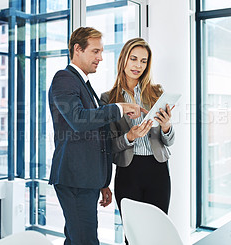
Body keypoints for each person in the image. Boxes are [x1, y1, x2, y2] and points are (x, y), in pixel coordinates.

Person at [48, 27, 146, 245]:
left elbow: (96, 137)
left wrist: (103, 181)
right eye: (95, 51)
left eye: (101, 52)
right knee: (86, 241)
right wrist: (118, 108)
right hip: (74, 180)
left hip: (85, 180)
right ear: (77, 49)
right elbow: (78, 119)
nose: (100, 58)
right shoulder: (64, 78)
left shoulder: (83, 84)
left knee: (76, 239)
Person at [100, 37, 175, 237]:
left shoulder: (156, 92)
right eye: (133, 59)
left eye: (143, 61)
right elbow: (110, 146)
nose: (138, 65)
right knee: (134, 236)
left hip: (158, 170)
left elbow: (169, 141)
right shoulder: (108, 99)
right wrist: (129, 137)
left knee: (157, 234)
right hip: (128, 172)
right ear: (123, 59)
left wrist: (166, 126)